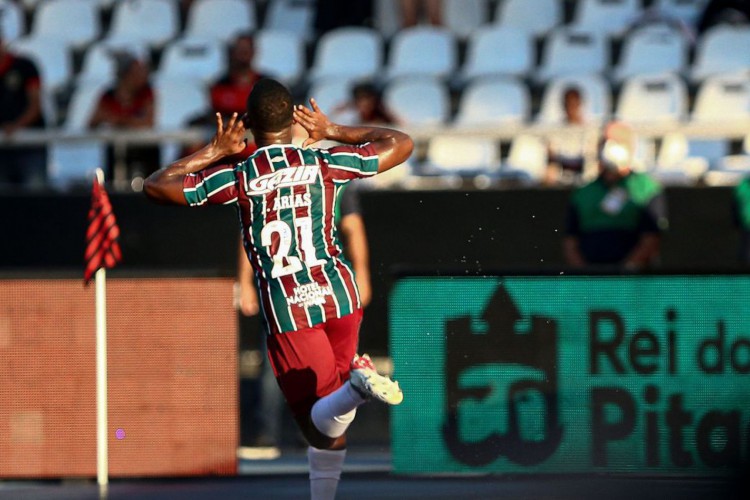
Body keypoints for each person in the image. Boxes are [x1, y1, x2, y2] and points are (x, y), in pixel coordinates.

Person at [144, 78, 413, 500]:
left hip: (291, 309)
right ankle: (346, 417)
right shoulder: (325, 163)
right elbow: (400, 142)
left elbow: (156, 185)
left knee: (316, 423)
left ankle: (360, 388)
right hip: (340, 296)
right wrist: (335, 131)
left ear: (248, 122)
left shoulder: (241, 176)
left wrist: (214, 150)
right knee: (331, 425)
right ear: (293, 120)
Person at [237, 183, 372, 448]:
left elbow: (164, 186)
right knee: (332, 377)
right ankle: (289, 431)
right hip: (328, 289)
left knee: (297, 372)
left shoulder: (261, 174)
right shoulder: (330, 169)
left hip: (289, 294)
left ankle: (294, 433)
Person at [563, 121, 668, 270]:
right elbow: (570, 241)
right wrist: (586, 276)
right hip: (592, 282)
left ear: (631, 147)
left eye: (617, 142)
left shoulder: (647, 188)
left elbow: (651, 239)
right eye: (605, 141)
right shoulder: (583, 193)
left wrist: (625, 272)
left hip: (633, 283)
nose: (609, 147)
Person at [88, 53, 158, 179]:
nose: (143, 76)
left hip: (143, 150)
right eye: (136, 72)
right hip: (116, 152)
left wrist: (119, 120)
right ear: (125, 74)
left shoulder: (146, 93)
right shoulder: (108, 96)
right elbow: (92, 123)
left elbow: (148, 122)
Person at [0, 27, 46, 188]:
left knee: (34, 197)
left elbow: (35, 105)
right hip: (2, 147)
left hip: (30, 144)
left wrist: (16, 126)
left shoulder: (25, 66)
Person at [545, 86, 592, 186]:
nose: (571, 109)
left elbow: (590, 154)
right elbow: (552, 153)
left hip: (583, 169)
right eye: (568, 105)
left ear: (580, 104)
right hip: (561, 170)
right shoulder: (555, 130)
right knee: (549, 173)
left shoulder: (590, 130)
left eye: (574, 104)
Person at [734, 176, 750, 265]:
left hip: (745, 221)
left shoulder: (742, 186)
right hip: (745, 222)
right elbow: (736, 204)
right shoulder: (743, 186)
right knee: (745, 246)